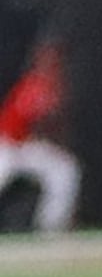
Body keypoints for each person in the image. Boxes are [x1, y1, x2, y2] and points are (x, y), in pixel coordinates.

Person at [0, 33, 78, 236]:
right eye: (46, 59)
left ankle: (51, 230)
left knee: (64, 171)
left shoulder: (55, 87)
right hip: (7, 144)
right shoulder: (33, 85)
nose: (51, 63)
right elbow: (24, 123)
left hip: (28, 148)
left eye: (55, 58)